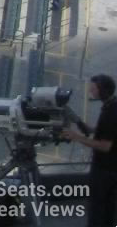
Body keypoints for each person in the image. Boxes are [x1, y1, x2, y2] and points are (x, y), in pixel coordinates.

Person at [61, 73, 117, 227]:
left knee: (97, 210)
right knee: (108, 210)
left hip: (104, 170)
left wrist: (76, 137)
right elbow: (108, 131)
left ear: (103, 90)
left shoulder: (111, 112)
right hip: (112, 169)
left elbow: (105, 146)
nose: (91, 92)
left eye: (93, 88)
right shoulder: (112, 106)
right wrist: (89, 129)